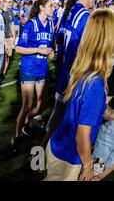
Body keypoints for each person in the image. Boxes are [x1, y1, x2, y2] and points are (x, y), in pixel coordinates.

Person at [45, 9, 114, 181]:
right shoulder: (96, 83)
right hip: (69, 156)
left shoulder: (84, 69)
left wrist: (111, 114)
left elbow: (86, 109)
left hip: (60, 146)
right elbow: (82, 135)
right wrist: (88, 166)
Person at [43, 0, 97, 147]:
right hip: (75, 80)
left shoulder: (69, 11)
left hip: (64, 75)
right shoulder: (86, 17)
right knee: (72, 129)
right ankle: (42, 157)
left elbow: (59, 39)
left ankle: (38, 155)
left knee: (55, 122)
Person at [11, 0, 55, 150]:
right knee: (27, 105)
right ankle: (16, 136)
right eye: (50, 6)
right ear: (42, 7)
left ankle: (25, 122)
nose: (53, 8)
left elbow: (50, 47)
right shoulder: (31, 24)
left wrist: (51, 53)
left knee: (41, 104)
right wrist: (39, 50)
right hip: (29, 68)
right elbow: (19, 48)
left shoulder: (50, 24)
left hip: (42, 69)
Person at [1, 0, 15, 79]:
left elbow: (12, 25)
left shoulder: (11, 12)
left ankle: (3, 73)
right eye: (8, 2)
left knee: (7, 56)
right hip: (1, 38)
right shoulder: (0, 12)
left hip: (9, 37)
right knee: (0, 56)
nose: (10, 3)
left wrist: (13, 38)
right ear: (4, 2)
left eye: (11, 1)